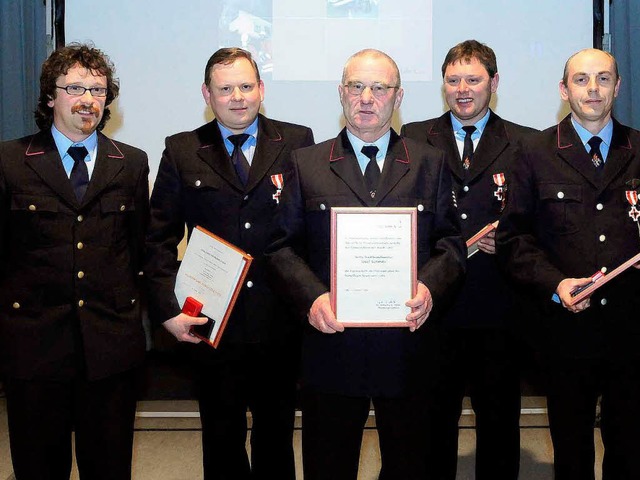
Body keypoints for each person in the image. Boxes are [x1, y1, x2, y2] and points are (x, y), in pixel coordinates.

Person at [265, 48, 466, 480]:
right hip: (332, 344)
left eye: (379, 88)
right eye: (356, 87)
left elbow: (451, 242)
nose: (366, 98)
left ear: (399, 96)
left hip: (407, 349)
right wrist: (312, 297)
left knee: (411, 465)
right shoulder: (306, 163)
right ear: (341, 93)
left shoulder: (429, 162)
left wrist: (430, 287)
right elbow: (280, 247)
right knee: (328, 464)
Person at [144, 47, 314, 480]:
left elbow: (310, 229)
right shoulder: (182, 150)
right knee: (221, 438)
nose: (237, 97)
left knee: (277, 436)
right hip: (212, 325)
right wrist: (167, 310)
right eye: (224, 89)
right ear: (207, 93)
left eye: (245, 86)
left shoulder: (296, 142)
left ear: (261, 89)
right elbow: (157, 240)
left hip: (280, 321)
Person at [0, 43, 149, 479]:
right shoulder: (10, 161)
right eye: (76, 88)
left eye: (99, 90)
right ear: (51, 96)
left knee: (109, 467)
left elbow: (137, 250)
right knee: (38, 467)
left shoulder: (132, 163)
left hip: (110, 351)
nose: (88, 100)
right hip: (33, 350)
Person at [496, 48, 640, 479]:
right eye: (581, 79)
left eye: (602, 79)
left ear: (618, 86)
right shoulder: (533, 151)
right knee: (571, 448)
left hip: (632, 329)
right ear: (564, 89)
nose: (592, 89)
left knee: (630, 445)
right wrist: (555, 284)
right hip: (564, 330)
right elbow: (513, 239)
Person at [401, 39, 536, 480]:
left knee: (499, 423)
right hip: (432, 308)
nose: (462, 89)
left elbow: (539, 222)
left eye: (473, 79)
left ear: (493, 83)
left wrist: (513, 237)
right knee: (431, 423)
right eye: (453, 80)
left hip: (498, 308)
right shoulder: (413, 139)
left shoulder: (525, 143)